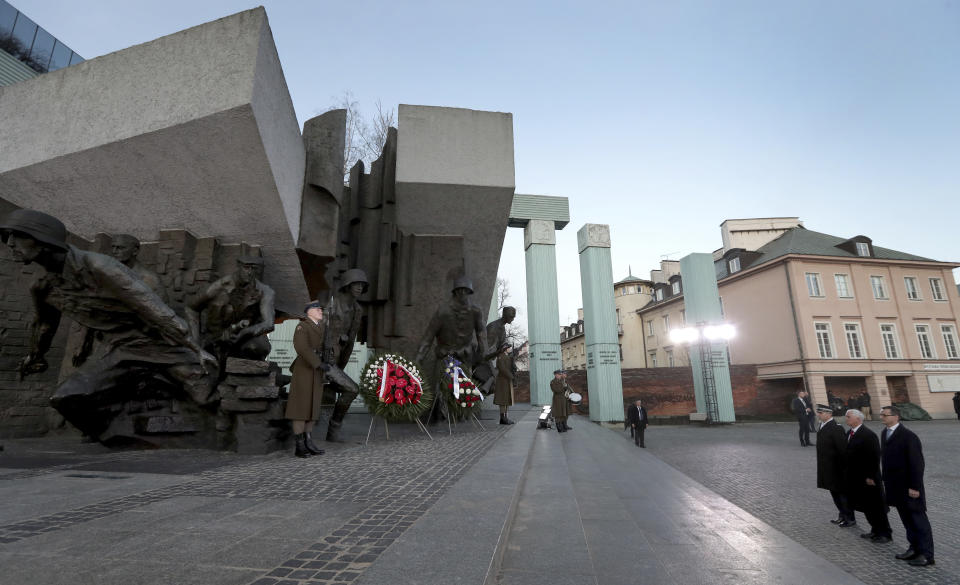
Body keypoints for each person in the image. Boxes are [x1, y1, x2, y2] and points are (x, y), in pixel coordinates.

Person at [2, 209, 217, 439]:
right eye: (7, 238)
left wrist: (196, 349)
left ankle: (160, 387)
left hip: (161, 344)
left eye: (17, 236)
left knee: (204, 397)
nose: (10, 244)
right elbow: (44, 325)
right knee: (64, 399)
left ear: (42, 239)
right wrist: (35, 356)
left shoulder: (100, 266)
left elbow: (157, 311)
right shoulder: (43, 287)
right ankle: (124, 436)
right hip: (121, 350)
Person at [187, 255, 276, 377]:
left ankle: (242, 374)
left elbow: (269, 323)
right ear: (239, 267)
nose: (250, 272)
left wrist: (245, 332)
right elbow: (191, 307)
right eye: (246, 267)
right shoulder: (219, 286)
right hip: (215, 335)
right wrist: (196, 344)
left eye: (254, 269)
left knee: (259, 347)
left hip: (241, 336)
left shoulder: (266, 291)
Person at [415, 276, 487, 423]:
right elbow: (428, 337)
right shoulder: (443, 312)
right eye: (461, 291)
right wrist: (418, 359)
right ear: (456, 292)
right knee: (443, 390)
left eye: (467, 291)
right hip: (445, 356)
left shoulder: (475, 311)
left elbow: (481, 332)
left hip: (465, 357)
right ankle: (442, 417)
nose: (464, 294)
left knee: (465, 389)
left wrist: (482, 350)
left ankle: (462, 418)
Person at [880, 405, 935, 566]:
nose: (882, 417)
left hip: (910, 488)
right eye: (881, 414)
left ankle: (927, 555)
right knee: (907, 521)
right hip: (895, 487)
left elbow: (917, 464)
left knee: (919, 521)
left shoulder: (908, 436)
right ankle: (914, 549)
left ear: (896, 416)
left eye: (885, 415)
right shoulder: (885, 433)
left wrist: (915, 487)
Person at [318, 269, 367, 442]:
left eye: (362, 285)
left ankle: (332, 432)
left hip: (336, 362)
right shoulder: (332, 305)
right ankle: (332, 431)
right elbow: (319, 333)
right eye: (356, 284)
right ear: (347, 285)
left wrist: (341, 368)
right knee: (352, 389)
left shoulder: (357, 310)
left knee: (348, 389)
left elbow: (351, 341)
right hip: (322, 359)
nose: (360, 288)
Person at [284, 301, 327, 458]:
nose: (320, 311)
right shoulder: (303, 326)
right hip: (305, 370)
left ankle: (309, 442)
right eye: (317, 309)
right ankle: (300, 445)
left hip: (317, 371)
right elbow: (302, 347)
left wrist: (326, 361)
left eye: (320, 308)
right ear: (308, 312)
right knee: (301, 409)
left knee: (313, 408)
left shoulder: (320, 327)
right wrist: (318, 363)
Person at [843, 408, 892, 543]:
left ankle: (885, 533)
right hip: (856, 477)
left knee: (876, 506)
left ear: (858, 419)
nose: (846, 419)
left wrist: (870, 476)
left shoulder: (868, 435)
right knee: (866, 506)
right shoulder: (850, 433)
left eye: (848, 417)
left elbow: (874, 457)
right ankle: (875, 530)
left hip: (869, 478)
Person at [814, 404, 854, 526]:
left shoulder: (836, 427)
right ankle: (842, 514)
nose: (819, 415)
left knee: (841, 494)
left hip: (836, 468)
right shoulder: (822, 425)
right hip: (827, 467)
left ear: (829, 414)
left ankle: (849, 517)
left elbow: (842, 450)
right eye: (818, 412)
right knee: (834, 493)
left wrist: (843, 469)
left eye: (821, 413)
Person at [493, 343, 516, 425]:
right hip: (502, 381)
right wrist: (511, 376)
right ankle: (503, 418)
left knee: (507, 399)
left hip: (507, 380)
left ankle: (505, 417)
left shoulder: (508, 357)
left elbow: (511, 368)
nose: (510, 349)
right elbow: (502, 369)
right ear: (505, 348)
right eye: (509, 348)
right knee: (503, 400)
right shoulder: (501, 357)